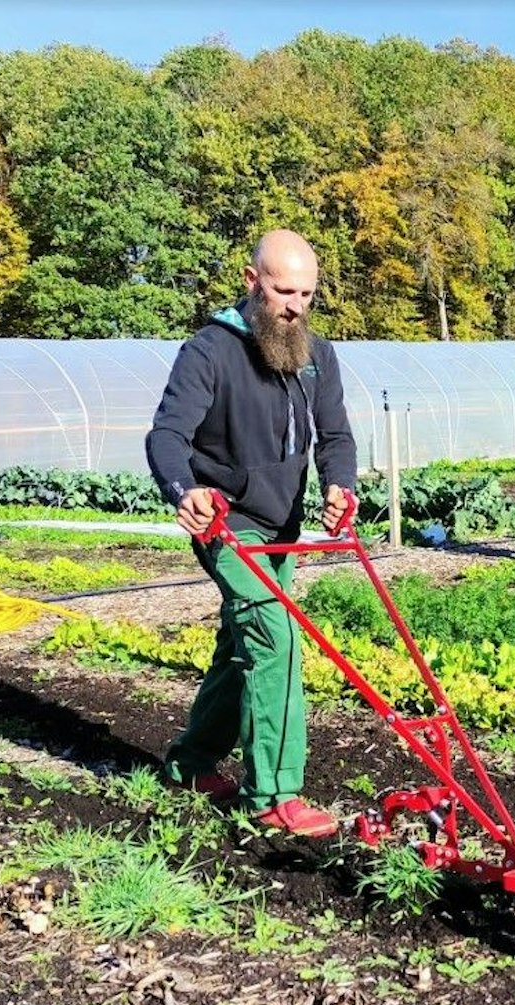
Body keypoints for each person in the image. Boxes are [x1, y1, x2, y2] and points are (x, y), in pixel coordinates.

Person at [145, 229, 357, 838]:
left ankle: (190, 763)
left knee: (243, 644)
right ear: (251, 280)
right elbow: (167, 436)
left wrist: (339, 485)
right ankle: (276, 794)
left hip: (281, 525)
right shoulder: (210, 350)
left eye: (306, 294)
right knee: (275, 637)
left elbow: (335, 436)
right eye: (282, 290)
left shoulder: (317, 353)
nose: (293, 305)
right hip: (224, 519)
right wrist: (185, 488)